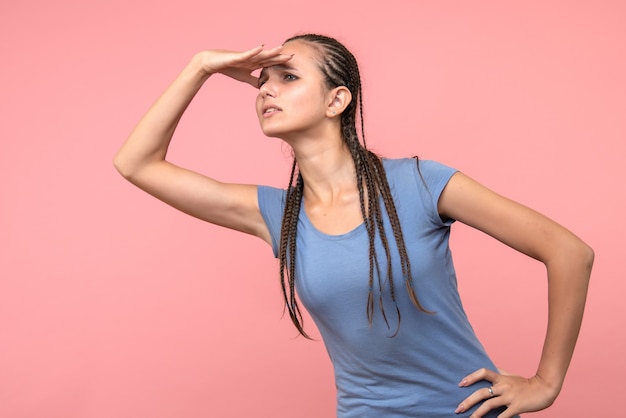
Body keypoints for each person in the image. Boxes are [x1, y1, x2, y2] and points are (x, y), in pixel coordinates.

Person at [113, 34, 593, 417]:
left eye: (288, 76)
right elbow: (137, 163)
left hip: (462, 408)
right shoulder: (278, 216)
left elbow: (569, 252)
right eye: (263, 80)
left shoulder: (422, 182)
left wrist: (546, 383)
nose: (265, 89)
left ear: (336, 99)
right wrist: (201, 65)